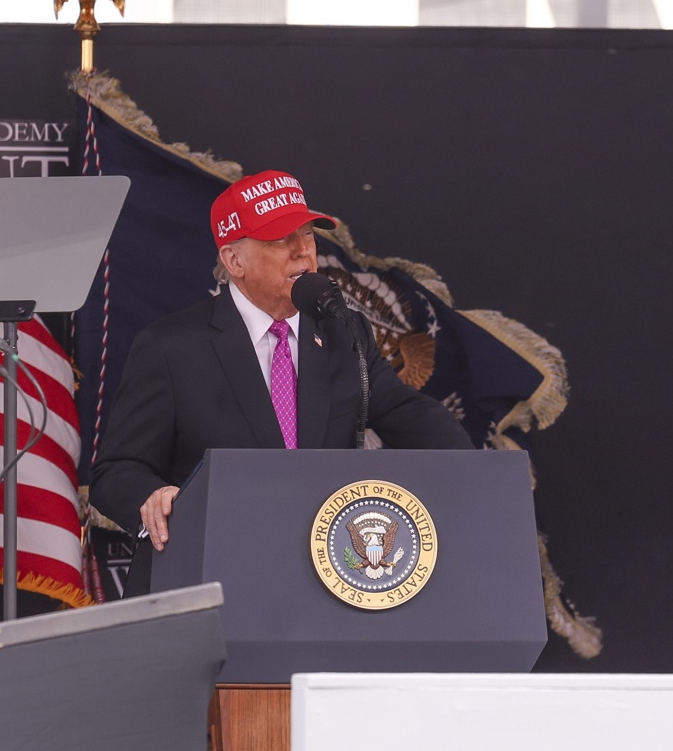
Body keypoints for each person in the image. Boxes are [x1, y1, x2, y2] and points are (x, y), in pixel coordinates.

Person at [89, 170, 473, 596]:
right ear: (234, 261)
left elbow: (407, 413)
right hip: (210, 576)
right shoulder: (171, 348)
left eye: (307, 235)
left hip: (320, 579)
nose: (301, 252)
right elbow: (116, 471)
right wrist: (152, 496)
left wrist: (474, 473)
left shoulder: (344, 333)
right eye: (278, 240)